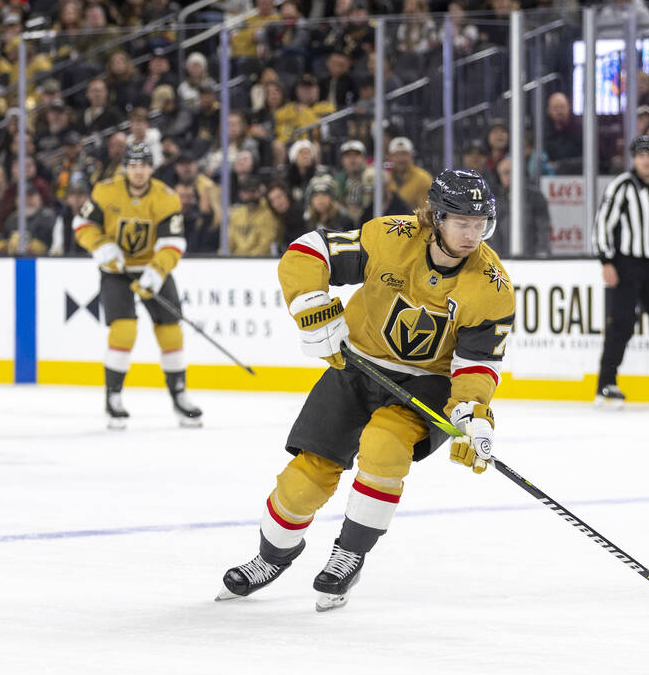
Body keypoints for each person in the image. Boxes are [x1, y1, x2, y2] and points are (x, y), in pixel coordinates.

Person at [218, 170, 516, 611]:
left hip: (424, 384)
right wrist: (311, 304)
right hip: (356, 366)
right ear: (435, 217)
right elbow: (309, 249)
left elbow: (476, 364)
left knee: (384, 448)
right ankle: (271, 557)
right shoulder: (391, 237)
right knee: (306, 480)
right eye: (462, 222)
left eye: (481, 224)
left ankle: (349, 555)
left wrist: (470, 411)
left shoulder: (492, 287)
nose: (472, 235)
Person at [71, 143, 203, 429]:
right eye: (133, 165)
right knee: (124, 329)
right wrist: (100, 245)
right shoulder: (105, 191)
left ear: (151, 168)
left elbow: (173, 242)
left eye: (143, 165)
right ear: (125, 168)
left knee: (170, 331)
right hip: (115, 269)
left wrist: (157, 271)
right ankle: (113, 397)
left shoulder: (166, 198)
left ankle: (179, 395)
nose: (138, 171)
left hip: (153, 267)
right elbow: (82, 224)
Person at [592, 136, 649, 409]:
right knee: (621, 323)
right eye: (642, 155)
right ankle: (606, 384)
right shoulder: (621, 187)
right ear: (634, 158)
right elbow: (602, 225)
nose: (646, 160)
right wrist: (606, 261)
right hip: (625, 262)